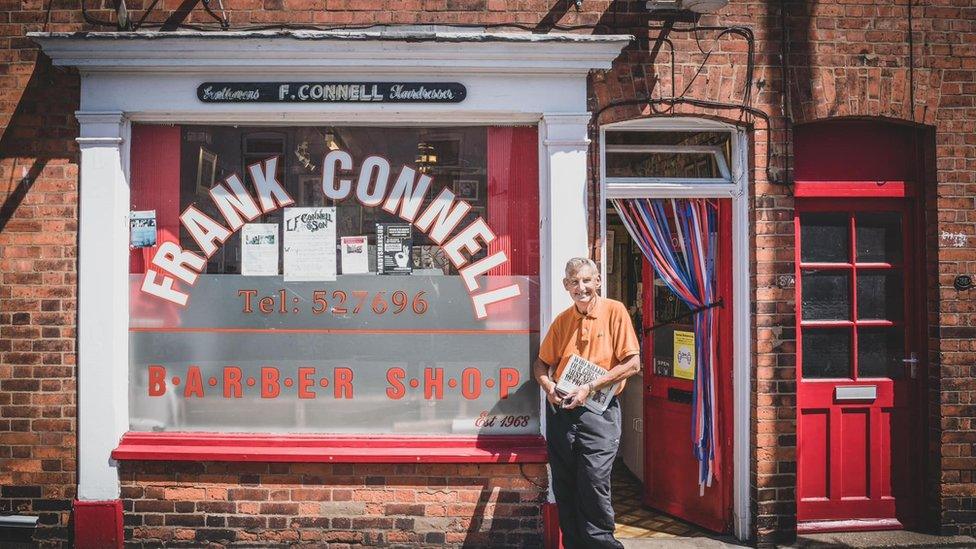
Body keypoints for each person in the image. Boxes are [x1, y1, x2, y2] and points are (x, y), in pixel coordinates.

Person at [533, 257, 641, 549]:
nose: (580, 287)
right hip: (563, 413)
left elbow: (633, 364)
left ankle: (603, 545)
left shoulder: (615, 312)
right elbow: (541, 365)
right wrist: (548, 386)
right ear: (566, 286)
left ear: (597, 281)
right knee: (565, 486)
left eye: (586, 280)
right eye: (574, 281)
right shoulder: (563, 321)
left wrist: (590, 386)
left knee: (593, 484)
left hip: (600, 413)